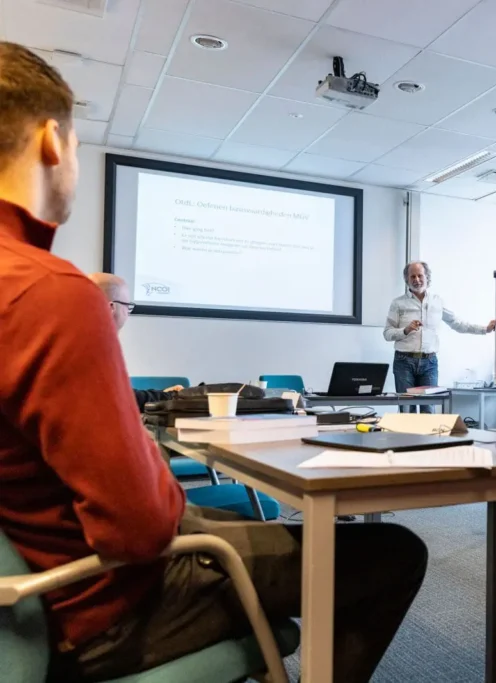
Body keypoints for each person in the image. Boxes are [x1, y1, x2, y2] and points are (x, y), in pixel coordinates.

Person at [0, 41, 426, 683]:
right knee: (393, 552)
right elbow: (141, 529)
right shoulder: (51, 291)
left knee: (237, 518)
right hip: (103, 601)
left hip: (36, 582)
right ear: (52, 143)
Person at [384, 261, 496, 412]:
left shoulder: (437, 302)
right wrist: (405, 330)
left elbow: (457, 324)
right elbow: (387, 333)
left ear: (427, 277)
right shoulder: (398, 303)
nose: (416, 280)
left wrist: (485, 329)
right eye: (412, 276)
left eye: (420, 275)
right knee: (406, 411)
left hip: (429, 363)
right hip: (404, 362)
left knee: (429, 410)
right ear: (407, 279)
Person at [88, 272, 183, 411]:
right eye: (127, 306)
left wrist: (164, 395)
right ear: (111, 307)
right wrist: (169, 397)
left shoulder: (78, 337)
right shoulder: (95, 345)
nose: (128, 313)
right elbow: (120, 398)